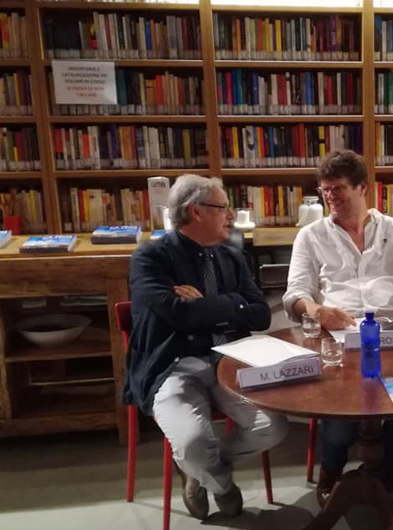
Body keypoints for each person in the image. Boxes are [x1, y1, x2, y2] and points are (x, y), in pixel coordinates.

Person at [282, 149, 393, 510]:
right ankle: (332, 469)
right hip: (339, 341)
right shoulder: (310, 236)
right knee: (341, 423)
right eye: (324, 190)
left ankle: (389, 465)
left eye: (338, 189)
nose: (330, 197)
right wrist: (317, 310)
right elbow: (295, 294)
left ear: (363, 187)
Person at [124, 175, 289, 520]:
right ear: (195, 211)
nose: (231, 216)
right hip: (173, 365)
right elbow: (179, 314)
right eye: (222, 207)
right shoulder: (150, 257)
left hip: (230, 361)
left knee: (273, 426)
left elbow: (260, 315)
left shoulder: (232, 257)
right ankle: (222, 485)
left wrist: (210, 304)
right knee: (191, 443)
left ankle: (198, 472)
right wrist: (234, 303)